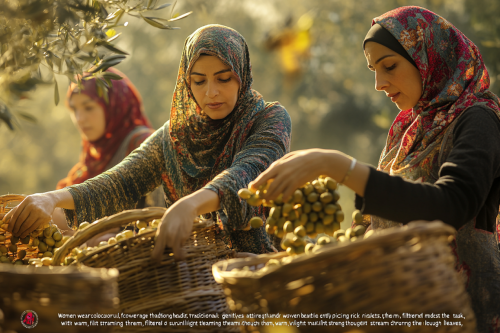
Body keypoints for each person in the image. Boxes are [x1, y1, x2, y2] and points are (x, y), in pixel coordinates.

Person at [249, 6, 500, 332]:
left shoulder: (478, 118)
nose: (379, 83)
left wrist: (337, 164)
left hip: (464, 310)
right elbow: (386, 212)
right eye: (373, 70)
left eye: (390, 66)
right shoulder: (409, 129)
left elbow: (451, 205)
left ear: (428, 55)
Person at [4, 25, 292, 259]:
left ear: (241, 75)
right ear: (186, 83)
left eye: (224, 78)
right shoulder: (175, 137)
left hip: (260, 267)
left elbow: (247, 174)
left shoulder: (269, 119)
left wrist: (188, 206)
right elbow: (119, 181)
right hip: (194, 275)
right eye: (199, 81)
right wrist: (51, 198)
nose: (211, 93)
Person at [51, 68, 164, 242]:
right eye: (74, 109)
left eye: (89, 107)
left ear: (115, 105)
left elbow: (159, 218)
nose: (79, 118)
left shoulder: (142, 144)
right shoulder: (93, 157)